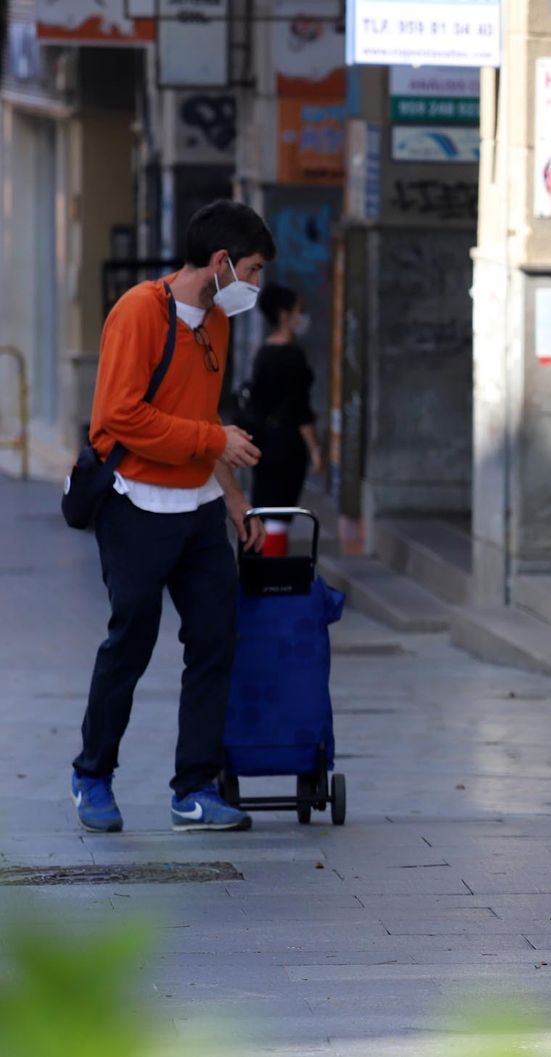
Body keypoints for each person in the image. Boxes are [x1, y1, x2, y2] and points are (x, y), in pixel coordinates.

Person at [71, 200, 274, 835]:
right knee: (129, 643)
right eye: (253, 269)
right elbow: (121, 417)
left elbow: (203, 422)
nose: (256, 285)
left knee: (215, 641)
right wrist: (213, 442)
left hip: (199, 510)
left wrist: (236, 499)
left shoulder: (218, 322)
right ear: (220, 263)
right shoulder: (138, 310)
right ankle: (93, 775)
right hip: (136, 505)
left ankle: (193, 789)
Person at [244, 283, 322, 555]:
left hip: (264, 444)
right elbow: (300, 410)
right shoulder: (293, 356)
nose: (303, 317)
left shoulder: (263, 354)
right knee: (280, 513)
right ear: (284, 314)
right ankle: (273, 572)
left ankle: (262, 573)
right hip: (287, 446)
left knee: (266, 509)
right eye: (300, 311)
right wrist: (315, 450)